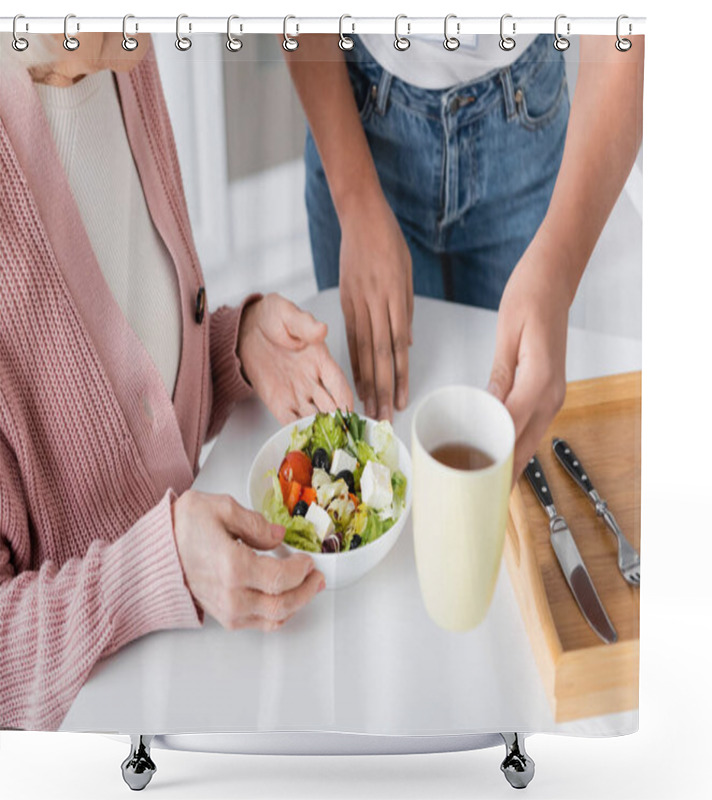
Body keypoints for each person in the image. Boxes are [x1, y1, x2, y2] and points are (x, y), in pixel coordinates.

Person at [0, 34, 353, 731]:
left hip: (206, 680)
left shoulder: (121, 57)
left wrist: (235, 347)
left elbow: (135, 414)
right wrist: (159, 568)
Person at [287, 33, 643, 476]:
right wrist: (355, 199)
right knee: (366, 454)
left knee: (518, 450)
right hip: (353, 112)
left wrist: (559, 265)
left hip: (523, 125)